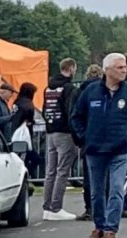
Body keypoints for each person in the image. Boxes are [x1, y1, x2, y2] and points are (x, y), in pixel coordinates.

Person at [71, 52, 127, 238]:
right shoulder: (90, 91)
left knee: (116, 190)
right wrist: (83, 138)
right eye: (120, 67)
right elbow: (76, 117)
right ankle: (99, 226)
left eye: (125, 67)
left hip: (120, 149)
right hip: (95, 150)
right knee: (96, 192)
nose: (125, 71)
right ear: (107, 70)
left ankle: (111, 230)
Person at [42, 58, 79, 220]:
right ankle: (56, 207)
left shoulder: (48, 88)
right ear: (71, 69)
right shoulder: (69, 88)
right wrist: (76, 132)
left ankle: (47, 207)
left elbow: (44, 109)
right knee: (62, 170)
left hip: (50, 131)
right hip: (64, 132)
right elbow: (70, 111)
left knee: (51, 171)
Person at [73, 64, 105, 220]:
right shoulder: (104, 90)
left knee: (89, 175)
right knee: (107, 177)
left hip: (88, 139)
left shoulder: (81, 91)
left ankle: (89, 208)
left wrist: (81, 136)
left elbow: (75, 114)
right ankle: (105, 209)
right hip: (104, 138)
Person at [8, 82, 37, 160]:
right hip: (24, 134)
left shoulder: (17, 102)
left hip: (13, 132)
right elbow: (29, 120)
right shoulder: (28, 104)